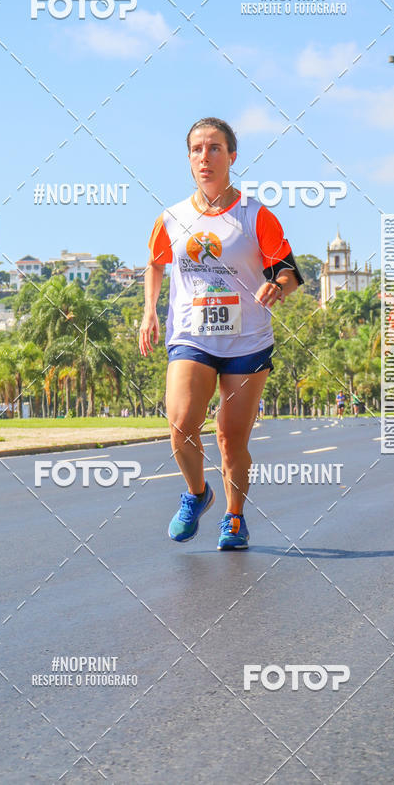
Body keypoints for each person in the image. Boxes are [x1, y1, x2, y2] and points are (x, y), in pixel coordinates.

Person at [139, 117, 303, 550]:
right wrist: (149, 312)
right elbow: (156, 263)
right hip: (192, 336)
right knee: (180, 422)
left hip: (247, 341)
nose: (205, 157)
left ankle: (234, 517)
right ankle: (196, 494)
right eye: (197, 149)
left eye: (214, 148)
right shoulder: (173, 217)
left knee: (230, 437)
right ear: (189, 159)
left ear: (232, 156)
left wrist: (277, 285)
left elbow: (288, 271)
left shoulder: (255, 215)